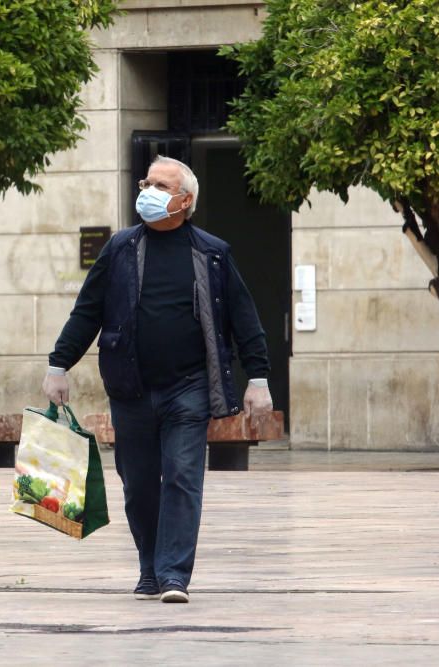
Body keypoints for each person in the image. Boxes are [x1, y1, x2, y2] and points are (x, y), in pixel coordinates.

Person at [42, 156, 273, 603]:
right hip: (130, 388)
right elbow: (88, 309)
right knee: (139, 484)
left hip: (189, 388)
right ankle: (149, 565)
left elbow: (244, 319)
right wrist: (59, 364)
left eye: (160, 185)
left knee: (184, 477)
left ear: (185, 200)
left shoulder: (212, 253)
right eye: (146, 182)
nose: (147, 190)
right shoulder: (121, 248)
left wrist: (258, 377)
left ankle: (173, 575)